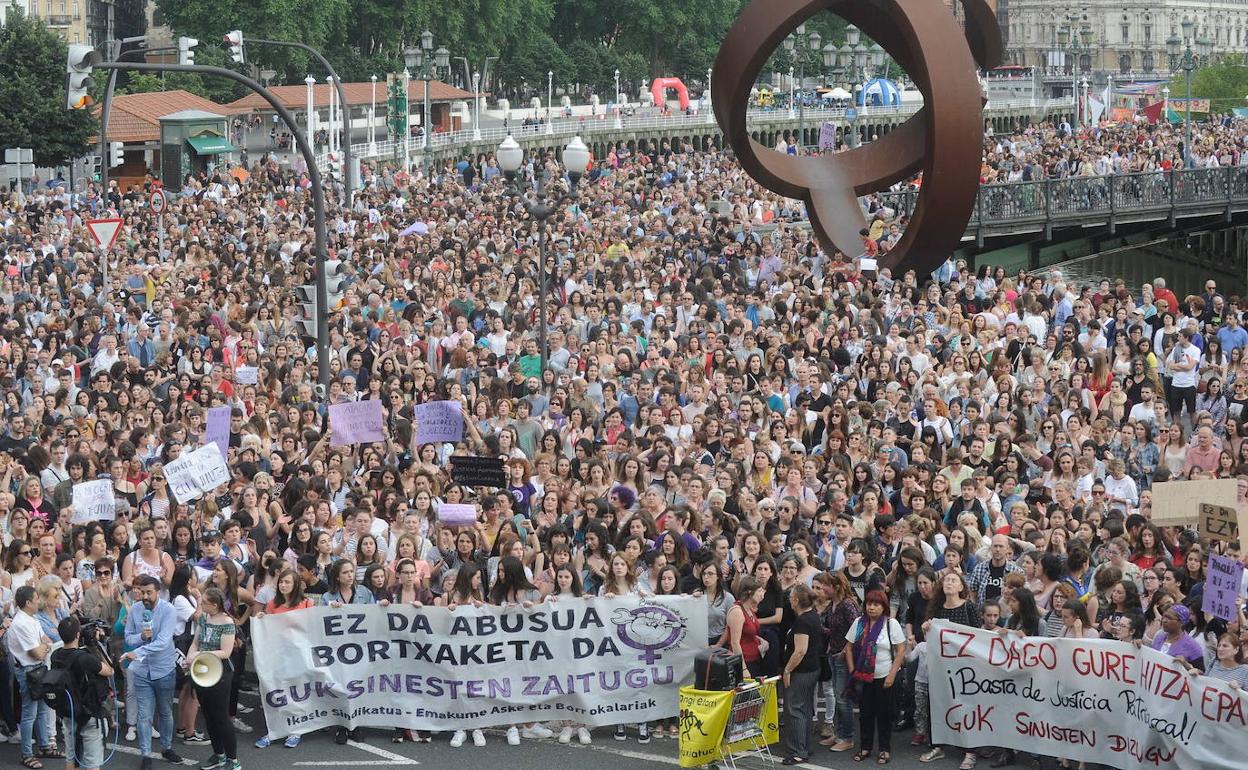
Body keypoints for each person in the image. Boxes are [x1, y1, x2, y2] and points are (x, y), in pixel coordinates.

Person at [121, 576, 185, 770]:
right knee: (144, 715)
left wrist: (137, 652)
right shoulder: (135, 610)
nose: (145, 596)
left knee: (165, 712)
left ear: (158, 592)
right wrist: (141, 636)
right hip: (141, 671)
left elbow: (164, 642)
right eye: (142, 592)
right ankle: (146, 755)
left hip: (164, 669)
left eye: (149, 592)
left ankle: (166, 748)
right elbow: (128, 637)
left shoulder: (168, 610)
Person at [843, 589, 905, 765]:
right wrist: (852, 670)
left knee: (884, 714)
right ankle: (865, 747)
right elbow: (848, 647)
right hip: (863, 677)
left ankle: (884, 749)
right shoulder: (859, 623)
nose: (871, 607)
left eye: (876, 604)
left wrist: (892, 674)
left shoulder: (890, 624)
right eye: (869, 604)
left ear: (883, 606)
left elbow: (901, 650)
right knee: (865, 714)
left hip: (884, 675)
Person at [50, 615, 114, 770]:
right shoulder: (85, 658)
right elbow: (109, 670)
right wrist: (96, 644)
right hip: (89, 712)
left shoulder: (55, 655)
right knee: (92, 763)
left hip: (69, 712)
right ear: (78, 635)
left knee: (71, 757)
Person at [7, 585, 61, 769]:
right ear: (28, 602)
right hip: (28, 671)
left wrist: (42, 646)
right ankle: (26, 754)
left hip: (37, 669)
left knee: (42, 710)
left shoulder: (32, 619)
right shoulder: (21, 623)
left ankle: (45, 746)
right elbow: (38, 652)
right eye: (36, 598)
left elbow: (45, 640)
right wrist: (43, 647)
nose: (39, 601)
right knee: (29, 713)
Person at [185, 588, 238, 770]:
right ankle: (219, 755)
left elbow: (225, 652)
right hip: (202, 670)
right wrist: (190, 656)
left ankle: (233, 760)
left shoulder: (227, 622)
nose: (201, 605)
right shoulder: (203, 618)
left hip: (220, 673)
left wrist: (199, 654)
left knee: (221, 717)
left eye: (204, 602)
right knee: (208, 715)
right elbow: (195, 642)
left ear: (214, 605)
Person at [780, 583, 823, 765]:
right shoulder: (813, 616)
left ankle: (797, 751)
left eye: (791, 597)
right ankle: (804, 746)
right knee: (804, 708)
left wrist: (787, 670)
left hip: (801, 671)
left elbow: (800, 651)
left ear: (796, 600)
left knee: (794, 708)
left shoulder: (802, 621)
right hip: (812, 669)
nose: (789, 599)